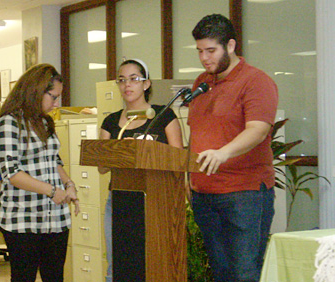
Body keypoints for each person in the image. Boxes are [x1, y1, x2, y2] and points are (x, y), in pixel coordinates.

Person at [187, 14, 279, 282]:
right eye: (200, 51)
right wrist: (187, 177)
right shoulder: (201, 83)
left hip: (244, 195)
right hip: (204, 194)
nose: (204, 58)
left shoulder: (256, 81)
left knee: (244, 274)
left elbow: (258, 129)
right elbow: (196, 133)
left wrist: (223, 153)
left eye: (211, 50)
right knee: (221, 272)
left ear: (230, 45)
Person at [99, 58, 183, 282]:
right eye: (122, 80)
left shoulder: (164, 116)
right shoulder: (111, 122)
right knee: (118, 266)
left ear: (146, 84)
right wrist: (119, 153)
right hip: (119, 200)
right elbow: (101, 166)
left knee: (154, 264)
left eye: (134, 79)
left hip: (156, 201)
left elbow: (179, 161)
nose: (127, 85)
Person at [0, 63, 80, 282]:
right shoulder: (10, 122)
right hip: (22, 219)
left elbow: (54, 160)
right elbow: (11, 173)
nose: (56, 103)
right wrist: (51, 190)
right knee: (24, 277)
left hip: (55, 218)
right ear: (36, 91)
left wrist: (69, 184)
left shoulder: (44, 121)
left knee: (54, 277)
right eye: (53, 97)